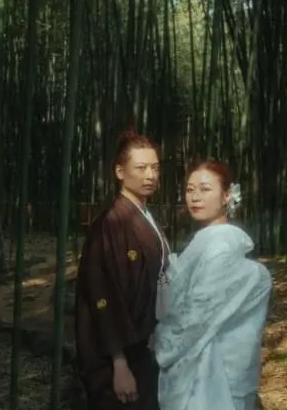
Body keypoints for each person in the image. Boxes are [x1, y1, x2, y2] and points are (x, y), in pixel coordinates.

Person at [153, 158, 272, 410]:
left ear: (227, 196)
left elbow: (197, 315)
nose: (195, 197)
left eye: (205, 189)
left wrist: (161, 342)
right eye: (189, 189)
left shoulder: (221, 247)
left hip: (209, 372)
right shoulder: (205, 241)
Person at [74, 129, 171, 410]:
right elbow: (102, 297)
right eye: (140, 168)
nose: (150, 175)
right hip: (119, 355)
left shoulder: (145, 215)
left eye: (155, 167)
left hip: (145, 346)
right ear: (120, 171)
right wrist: (119, 364)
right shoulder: (110, 223)